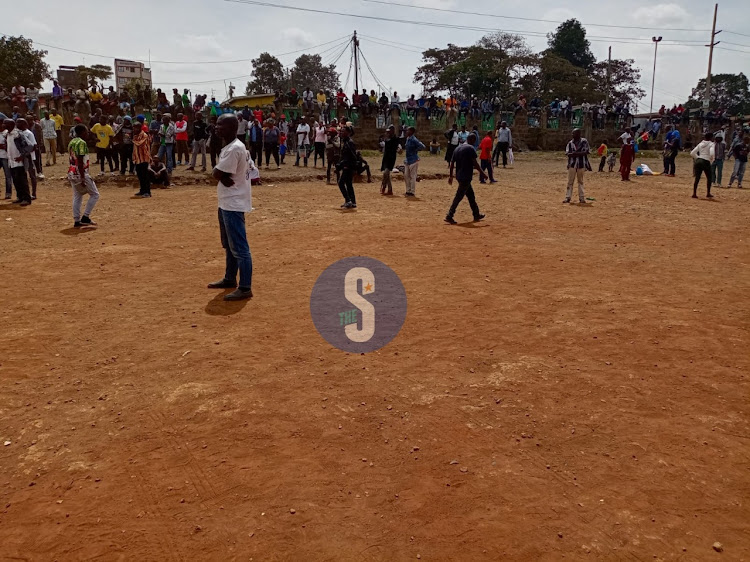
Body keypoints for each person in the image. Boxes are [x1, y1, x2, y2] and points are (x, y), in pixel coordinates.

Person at [207, 113, 253, 301]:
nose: (217, 127)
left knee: (240, 248)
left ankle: (245, 287)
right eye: (216, 124)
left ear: (233, 128)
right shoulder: (231, 147)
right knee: (229, 245)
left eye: (221, 125)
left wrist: (220, 174)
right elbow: (220, 173)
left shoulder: (234, 149)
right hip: (227, 201)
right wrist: (220, 175)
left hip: (233, 203)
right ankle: (229, 278)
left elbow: (217, 172)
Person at [445, 133, 487, 224]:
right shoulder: (470, 148)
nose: (474, 143)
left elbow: (452, 164)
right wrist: (483, 173)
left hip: (459, 176)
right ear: (471, 139)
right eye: (474, 141)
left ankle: (476, 214)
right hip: (466, 176)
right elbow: (475, 163)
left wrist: (451, 176)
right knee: (458, 196)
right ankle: (449, 215)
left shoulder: (457, 148)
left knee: (471, 196)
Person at [67, 124, 99, 226]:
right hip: (80, 172)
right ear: (82, 133)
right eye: (86, 132)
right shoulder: (81, 143)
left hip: (72, 171)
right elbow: (80, 161)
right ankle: (85, 216)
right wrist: (82, 177)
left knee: (77, 195)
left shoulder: (72, 142)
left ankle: (77, 220)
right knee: (95, 194)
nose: (87, 133)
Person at [4, 119, 32, 206]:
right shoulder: (7, 134)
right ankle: (20, 197)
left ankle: (26, 198)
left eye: (5, 124)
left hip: (19, 161)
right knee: (16, 181)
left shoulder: (18, 134)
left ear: (11, 125)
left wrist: (22, 156)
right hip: (11, 161)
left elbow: (30, 145)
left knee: (22, 180)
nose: (3, 125)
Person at [563, 128, 591, 204]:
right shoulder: (570, 143)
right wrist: (576, 154)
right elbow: (567, 153)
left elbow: (586, 151)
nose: (572, 135)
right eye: (572, 133)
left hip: (581, 164)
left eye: (574, 133)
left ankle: (581, 198)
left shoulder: (584, 141)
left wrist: (575, 154)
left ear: (578, 134)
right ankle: (568, 197)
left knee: (580, 181)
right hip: (572, 164)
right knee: (570, 182)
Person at [337, 125, 357, 208]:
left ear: (348, 133)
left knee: (341, 183)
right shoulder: (345, 142)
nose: (341, 132)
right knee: (348, 184)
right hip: (346, 165)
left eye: (343, 131)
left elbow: (352, 156)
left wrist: (343, 164)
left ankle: (348, 200)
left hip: (348, 166)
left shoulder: (349, 143)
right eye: (341, 131)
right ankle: (353, 202)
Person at [690, 132, 716, 199]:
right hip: (706, 161)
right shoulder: (711, 144)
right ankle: (708, 193)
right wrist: (711, 160)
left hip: (698, 160)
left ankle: (694, 193)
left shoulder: (700, 144)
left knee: (697, 178)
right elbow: (712, 153)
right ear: (711, 137)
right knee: (709, 178)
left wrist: (698, 158)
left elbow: (692, 153)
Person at [132, 121, 152, 197]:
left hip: (144, 158)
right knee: (140, 176)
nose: (134, 129)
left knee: (145, 176)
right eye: (134, 127)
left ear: (140, 127)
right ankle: (142, 190)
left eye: (136, 127)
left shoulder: (144, 135)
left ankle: (148, 192)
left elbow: (139, 143)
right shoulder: (135, 135)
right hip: (138, 159)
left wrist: (132, 140)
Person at [404, 126, 425, 197]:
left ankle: (412, 191)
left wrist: (415, 150)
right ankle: (408, 190)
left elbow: (422, 146)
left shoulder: (414, 139)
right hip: (408, 160)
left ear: (412, 132)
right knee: (406, 176)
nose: (406, 132)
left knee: (413, 176)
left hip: (413, 160)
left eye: (408, 131)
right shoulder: (408, 139)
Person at [380, 125, 400, 195]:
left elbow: (391, 144)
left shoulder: (395, 139)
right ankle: (388, 189)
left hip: (391, 158)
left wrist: (386, 137)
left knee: (386, 173)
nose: (388, 132)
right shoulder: (387, 138)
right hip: (386, 158)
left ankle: (384, 187)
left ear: (393, 131)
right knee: (386, 174)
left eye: (389, 131)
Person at [0, 120, 12, 199]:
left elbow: (10, 145)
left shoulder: (7, 133)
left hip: (5, 156)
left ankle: (8, 192)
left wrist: (5, 146)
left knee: (8, 175)